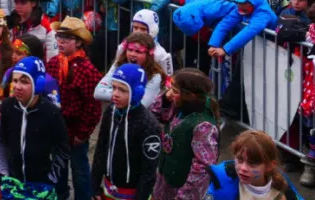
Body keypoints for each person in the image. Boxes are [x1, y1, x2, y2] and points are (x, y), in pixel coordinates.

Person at [0, 56, 69, 200]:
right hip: (13, 183)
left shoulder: (51, 113)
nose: (17, 86)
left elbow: (63, 149)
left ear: (38, 84)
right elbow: (0, 140)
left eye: (24, 81)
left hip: (41, 186)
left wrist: (52, 178)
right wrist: (4, 172)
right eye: (15, 81)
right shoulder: (8, 107)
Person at [45, 17, 100, 200]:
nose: (61, 41)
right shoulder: (53, 63)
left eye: (66, 38)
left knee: (80, 170)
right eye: (59, 37)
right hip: (55, 128)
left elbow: (92, 107)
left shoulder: (87, 70)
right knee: (57, 168)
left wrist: (82, 133)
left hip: (76, 130)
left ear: (78, 42)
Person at [90, 63, 162, 200]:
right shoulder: (110, 111)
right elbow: (100, 149)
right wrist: (94, 186)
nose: (115, 94)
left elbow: (149, 170)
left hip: (133, 193)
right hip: (109, 189)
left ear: (137, 92)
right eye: (114, 88)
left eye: (123, 90)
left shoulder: (149, 124)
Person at [153, 68, 221, 200]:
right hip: (164, 183)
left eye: (175, 91)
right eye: (170, 88)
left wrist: (184, 196)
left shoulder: (203, 126)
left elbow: (202, 168)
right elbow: (153, 115)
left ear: (190, 96)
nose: (170, 93)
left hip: (181, 190)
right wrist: (165, 99)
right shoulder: (177, 108)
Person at [205, 130, 299, 200]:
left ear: (269, 166)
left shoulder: (283, 192)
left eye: (252, 163)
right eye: (240, 160)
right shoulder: (221, 182)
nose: (243, 168)